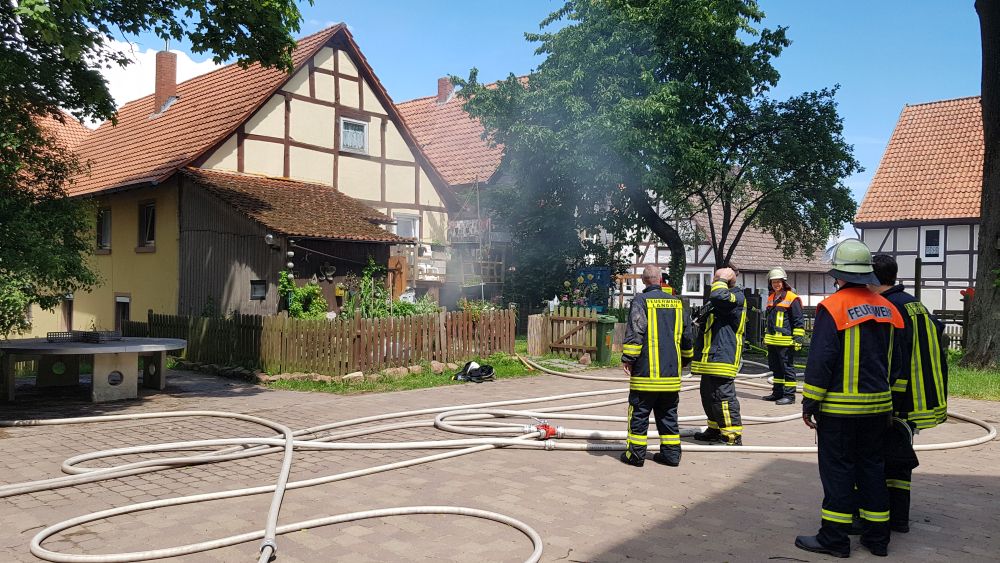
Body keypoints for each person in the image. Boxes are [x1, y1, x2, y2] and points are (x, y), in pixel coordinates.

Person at [795, 239, 904, 559]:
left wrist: (810, 402)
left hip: (839, 411)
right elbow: (897, 363)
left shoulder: (833, 307)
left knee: (838, 471)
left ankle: (834, 538)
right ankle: (877, 538)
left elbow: (821, 360)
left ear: (839, 275)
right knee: (873, 469)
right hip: (879, 409)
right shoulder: (889, 309)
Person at [871, 254, 948, 533]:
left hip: (898, 397)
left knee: (883, 459)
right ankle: (899, 519)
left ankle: (883, 516)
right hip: (921, 396)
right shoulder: (914, 303)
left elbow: (892, 358)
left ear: (873, 278)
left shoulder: (889, 307)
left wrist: (885, 399)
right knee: (900, 459)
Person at [620, 265, 694, 467]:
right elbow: (687, 336)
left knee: (639, 415)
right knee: (668, 415)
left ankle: (635, 455)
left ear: (643, 281)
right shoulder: (677, 303)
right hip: (671, 375)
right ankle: (671, 455)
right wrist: (686, 359)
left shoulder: (640, 301)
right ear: (661, 280)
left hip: (646, 375)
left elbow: (636, 331)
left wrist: (628, 359)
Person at [691, 267, 747, 446]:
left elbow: (718, 296)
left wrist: (722, 278)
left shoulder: (735, 296)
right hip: (710, 356)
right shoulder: (718, 299)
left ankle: (732, 435)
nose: (714, 282)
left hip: (724, 355)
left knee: (722, 396)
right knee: (708, 395)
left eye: (716, 279)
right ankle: (715, 429)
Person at [761, 267, 805, 405]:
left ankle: (790, 396)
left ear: (784, 282)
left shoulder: (792, 298)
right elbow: (769, 321)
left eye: (778, 282)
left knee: (787, 368)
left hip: (786, 341)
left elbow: (798, 320)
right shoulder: (771, 298)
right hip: (772, 341)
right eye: (773, 282)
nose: (776, 284)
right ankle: (777, 393)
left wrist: (798, 339)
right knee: (776, 368)